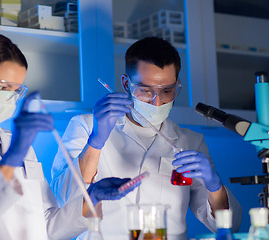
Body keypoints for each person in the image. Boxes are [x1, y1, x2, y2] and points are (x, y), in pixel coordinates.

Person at [0, 32, 136, 240]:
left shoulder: (12, 141)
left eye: (16, 90)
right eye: (3, 87)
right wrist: (15, 155)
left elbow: (47, 226)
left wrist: (93, 196)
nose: (10, 97)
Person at [51, 37, 242, 239]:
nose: (156, 101)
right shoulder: (86, 126)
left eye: (167, 91)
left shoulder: (191, 142)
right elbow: (62, 200)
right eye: (145, 90)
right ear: (126, 84)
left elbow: (229, 226)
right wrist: (96, 140)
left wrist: (214, 185)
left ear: (177, 86)